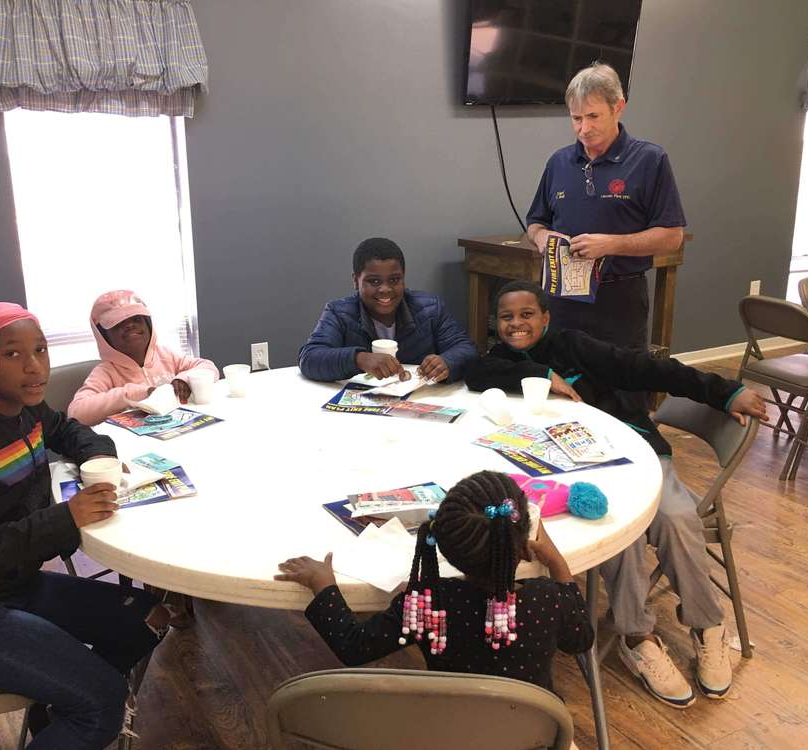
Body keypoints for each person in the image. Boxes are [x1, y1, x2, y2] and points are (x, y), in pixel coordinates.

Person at [466, 280, 770, 708]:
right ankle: (636, 635)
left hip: (636, 454)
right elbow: (476, 373)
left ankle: (708, 625)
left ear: (547, 317)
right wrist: (538, 374)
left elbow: (649, 368)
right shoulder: (497, 360)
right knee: (614, 530)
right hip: (575, 472)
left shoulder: (574, 346)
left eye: (527, 314)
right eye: (507, 317)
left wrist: (725, 391)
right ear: (496, 325)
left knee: (677, 517)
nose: (517, 324)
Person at [0, 302, 170, 749]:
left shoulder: (26, 410)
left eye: (41, 350)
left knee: (148, 618)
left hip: (8, 585)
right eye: (15, 354)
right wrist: (63, 519)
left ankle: (56, 716)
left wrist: (100, 457)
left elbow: (72, 430)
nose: (36, 366)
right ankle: (81, 712)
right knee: (103, 702)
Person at [275, 470, 593, 694]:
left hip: (450, 733)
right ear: (524, 548)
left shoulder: (428, 604)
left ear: (443, 545)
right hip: (531, 734)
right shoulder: (548, 600)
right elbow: (580, 640)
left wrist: (324, 586)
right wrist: (556, 562)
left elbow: (353, 646)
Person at [523, 62, 686, 353]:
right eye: (576, 118)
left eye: (593, 116)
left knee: (621, 388)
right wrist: (540, 237)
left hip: (620, 298)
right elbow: (535, 222)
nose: (583, 129)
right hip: (562, 298)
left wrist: (611, 244)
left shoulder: (650, 160)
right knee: (563, 385)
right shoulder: (558, 162)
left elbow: (672, 237)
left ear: (618, 107)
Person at [298, 237, 478, 383]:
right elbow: (309, 358)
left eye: (394, 280)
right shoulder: (339, 312)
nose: (385, 289)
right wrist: (360, 359)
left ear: (403, 278)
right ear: (356, 280)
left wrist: (447, 362)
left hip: (419, 401)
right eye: (374, 281)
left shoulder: (430, 308)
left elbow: (466, 349)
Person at [68, 289, 218, 426]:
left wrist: (184, 379)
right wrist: (133, 394)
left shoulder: (166, 356)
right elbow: (76, 413)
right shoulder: (106, 372)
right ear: (103, 336)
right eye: (118, 323)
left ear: (148, 325)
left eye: (137, 319)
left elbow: (208, 367)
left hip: (181, 430)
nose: (130, 326)